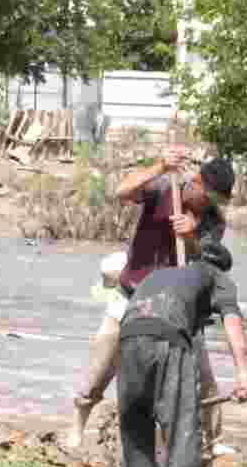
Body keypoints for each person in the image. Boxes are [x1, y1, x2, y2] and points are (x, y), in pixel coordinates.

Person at [68, 150, 235, 449]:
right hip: (133, 289)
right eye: (206, 196)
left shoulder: (213, 219)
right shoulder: (163, 187)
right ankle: (78, 426)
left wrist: (190, 239)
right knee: (103, 356)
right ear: (195, 182)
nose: (208, 203)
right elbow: (122, 191)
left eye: (215, 200)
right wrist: (160, 166)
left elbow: (207, 258)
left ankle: (214, 439)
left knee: (201, 370)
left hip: (176, 302)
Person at [116, 240, 247, 467]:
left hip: (127, 338)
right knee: (183, 423)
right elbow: (234, 327)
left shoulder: (159, 275)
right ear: (221, 269)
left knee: (136, 415)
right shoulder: (218, 278)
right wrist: (243, 377)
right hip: (167, 337)